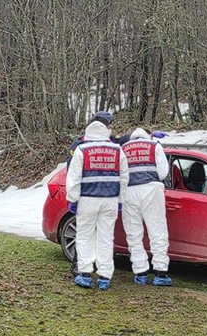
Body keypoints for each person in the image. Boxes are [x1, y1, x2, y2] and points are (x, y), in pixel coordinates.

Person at [66, 112, 129, 290]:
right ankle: (104, 276)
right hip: (109, 199)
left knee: (85, 236)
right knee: (106, 238)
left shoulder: (82, 149)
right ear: (106, 131)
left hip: (87, 199)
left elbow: (73, 177)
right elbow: (124, 177)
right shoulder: (117, 150)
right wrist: (120, 200)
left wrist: (73, 198)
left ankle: (85, 273)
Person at [121, 128, 172, 286]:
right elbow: (163, 173)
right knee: (157, 230)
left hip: (129, 191)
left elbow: (120, 173)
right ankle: (160, 273)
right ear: (149, 135)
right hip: (151, 189)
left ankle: (140, 272)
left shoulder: (123, 149)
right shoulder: (154, 146)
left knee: (133, 233)